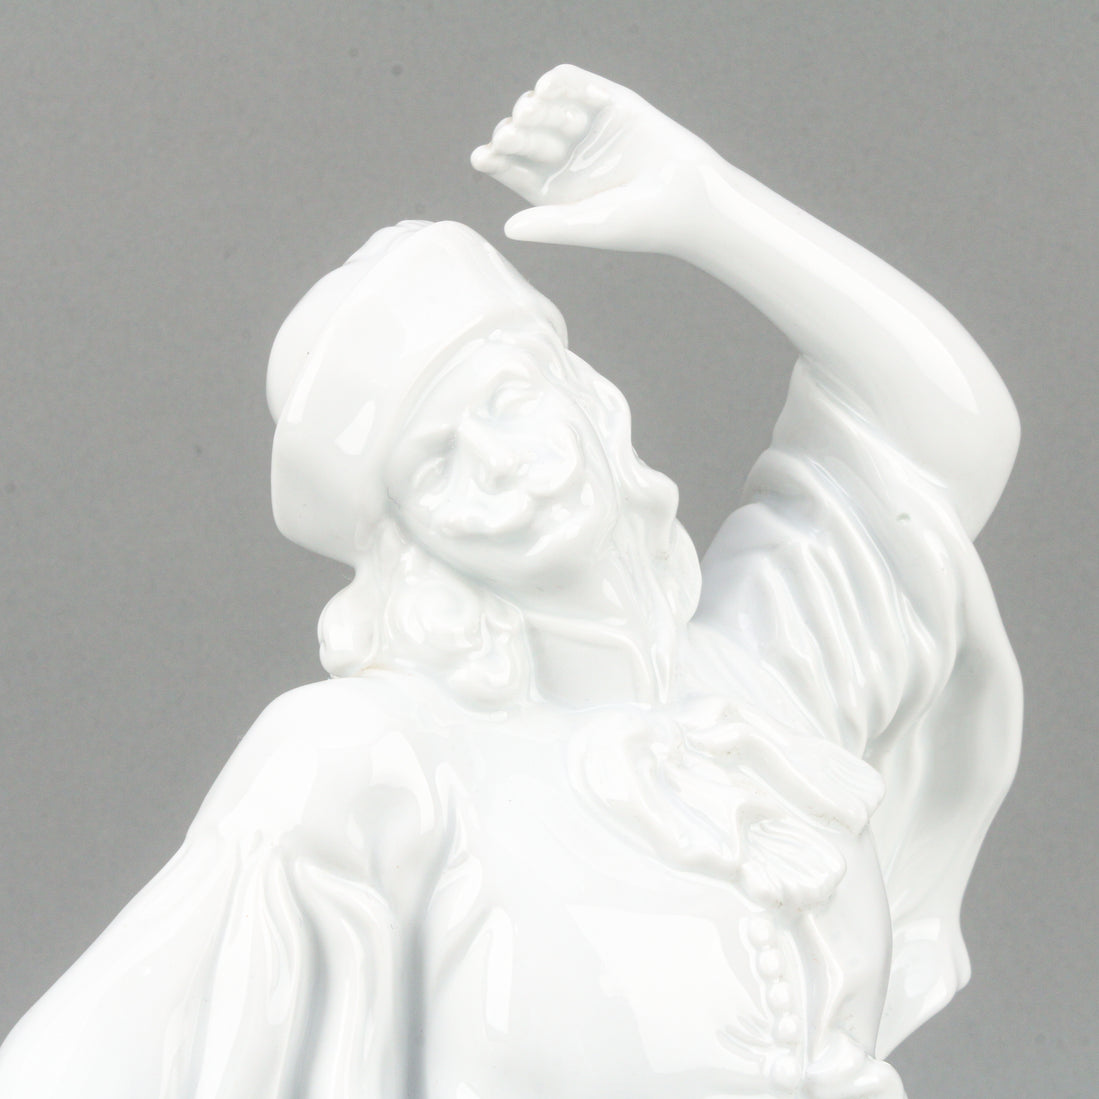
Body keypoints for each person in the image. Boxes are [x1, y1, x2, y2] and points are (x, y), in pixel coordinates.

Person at [0, 66, 1020, 1098]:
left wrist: (709, 205)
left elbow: (944, 438)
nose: (499, 465)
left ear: (583, 393)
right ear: (410, 539)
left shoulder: (763, 679)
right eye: (435, 462)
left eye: (506, 399)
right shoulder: (375, 759)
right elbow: (84, 1057)